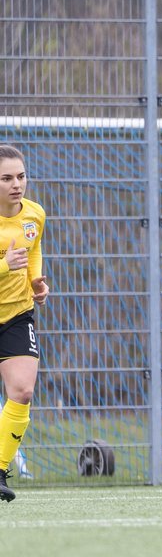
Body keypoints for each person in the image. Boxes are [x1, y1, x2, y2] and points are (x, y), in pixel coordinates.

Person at [0, 145, 50, 503]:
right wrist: (5, 264)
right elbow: (12, 260)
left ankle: (0, 469)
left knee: (22, 391)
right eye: (6, 178)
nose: (16, 184)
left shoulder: (35, 214)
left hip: (16, 314)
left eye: (21, 176)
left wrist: (36, 282)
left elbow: (33, 250)